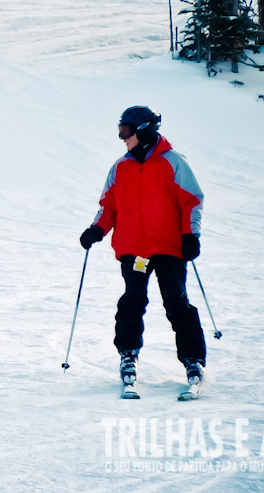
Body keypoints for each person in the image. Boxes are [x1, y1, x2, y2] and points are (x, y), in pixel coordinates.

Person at [79, 106, 208, 392]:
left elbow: (192, 201)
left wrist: (191, 236)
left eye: (126, 131)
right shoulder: (120, 167)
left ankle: (192, 359)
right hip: (134, 250)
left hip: (169, 248)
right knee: (133, 300)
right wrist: (96, 230)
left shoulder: (173, 162)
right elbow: (108, 206)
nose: (122, 137)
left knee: (176, 302)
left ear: (144, 130)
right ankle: (128, 354)